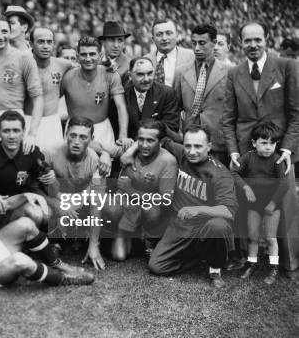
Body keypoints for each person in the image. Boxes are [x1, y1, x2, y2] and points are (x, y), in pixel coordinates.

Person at [222, 21, 299, 278]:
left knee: (284, 204)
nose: (253, 45)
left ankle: (290, 265)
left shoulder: (287, 66)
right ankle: (250, 260)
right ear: (240, 43)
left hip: (278, 151)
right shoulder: (234, 73)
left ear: (267, 39)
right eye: (247, 40)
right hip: (248, 151)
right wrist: (234, 152)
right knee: (248, 205)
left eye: (258, 39)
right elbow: (228, 118)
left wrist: (287, 150)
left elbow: (296, 115)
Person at [123, 125, 237, 288]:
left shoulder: (220, 174)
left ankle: (215, 269)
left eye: (198, 146)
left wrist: (197, 209)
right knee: (156, 266)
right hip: (179, 225)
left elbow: (228, 210)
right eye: (188, 145)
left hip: (205, 226)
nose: (191, 151)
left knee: (218, 225)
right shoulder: (181, 153)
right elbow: (157, 129)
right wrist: (129, 151)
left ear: (209, 147)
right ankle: (199, 257)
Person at [43, 117, 109, 270]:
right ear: (66, 134)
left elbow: (96, 205)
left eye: (83, 137)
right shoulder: (50, 152)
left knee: (106, 207)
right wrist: (57, 205)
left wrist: (93, 245)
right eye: (73, 135)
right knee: (42, 212)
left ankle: (82, 236)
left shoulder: (96, 161)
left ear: (91, 139)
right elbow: (35, 187)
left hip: (80, 198)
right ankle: (53, 240)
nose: (77, 141)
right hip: (55, 196)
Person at [0, 111, 57, 233]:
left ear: (23, 132)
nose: (11, 136)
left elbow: (49, 189)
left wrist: (52, 179)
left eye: (16, 130)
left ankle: (30, 242)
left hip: (18, 206)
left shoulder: (32, 152)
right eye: (6, 131)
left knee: (44, 215)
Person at [0, 13, 43, 151]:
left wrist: (32, 134)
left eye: (4, 31)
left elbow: (38, 98)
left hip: (14, 118)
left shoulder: (24, 59)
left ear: (10, 32)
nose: (0, 36)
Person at [112, 120, 177, 261]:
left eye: (150, 141)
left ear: (160, 142)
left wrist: (131, 192)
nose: (144, 145)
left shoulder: (168, 161)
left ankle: (150, 240)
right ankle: (123, 233)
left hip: (150, 207)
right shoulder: (130, 154)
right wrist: (105, 155)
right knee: (118, 256)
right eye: (140, 140)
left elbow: (166, 200)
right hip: (129, 205)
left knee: (150, 210)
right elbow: (99, 146)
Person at [231, 122, 287, 285]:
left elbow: (284, 184)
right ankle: (251, 263)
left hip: (272, 205)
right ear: (254, 143)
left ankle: (273, 268)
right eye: (264, 143)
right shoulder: (248, 157)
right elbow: (234, 173)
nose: (268, 147)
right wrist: (246, 187)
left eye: (272, 143)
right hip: (253, 205)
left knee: (270, 237)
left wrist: (273, 203)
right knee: (252, 235)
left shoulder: (277, 160)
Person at [61, 36, 131, 157]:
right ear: (77, 56)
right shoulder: (67, 77)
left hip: (102, 128)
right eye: (84, 54)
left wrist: (123, 135)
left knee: (103, 169)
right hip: (75, 131)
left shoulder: (110, 75)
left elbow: (121, 107)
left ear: (100, 55)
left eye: (92, 54)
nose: (88, 59)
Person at [174, 24, 229, 164]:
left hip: (218, 143)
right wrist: (179, 134)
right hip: (189, 142)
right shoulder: (181, 72)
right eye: (194, 43)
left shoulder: (229, 72)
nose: (197, 48)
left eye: (202, 43)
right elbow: (174, 108)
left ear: (214, 43)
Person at [27, 27, 74, 151]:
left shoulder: (63, 64)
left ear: (54, 44)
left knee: (53, 166)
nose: (46, 46)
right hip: (28, 122)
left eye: (49, 42)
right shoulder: (23, 64)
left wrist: (107, 68)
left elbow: (85, 68)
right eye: (41, 41)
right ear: (31, 43)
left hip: (52, 123)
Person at [124, 57, 179, 140]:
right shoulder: (122, 94)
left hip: (158, 144)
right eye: (140, 74)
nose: (146, 79)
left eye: (150, 73)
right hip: (128, 144)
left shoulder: (167, 94)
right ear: (130, 76)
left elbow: (170, 128)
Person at [145, 18, 195, 87]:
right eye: (159, 34)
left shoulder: (192, 57)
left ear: (177, 35)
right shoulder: (146, 60)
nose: (164, 38)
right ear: (153, 39)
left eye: (169, 33)